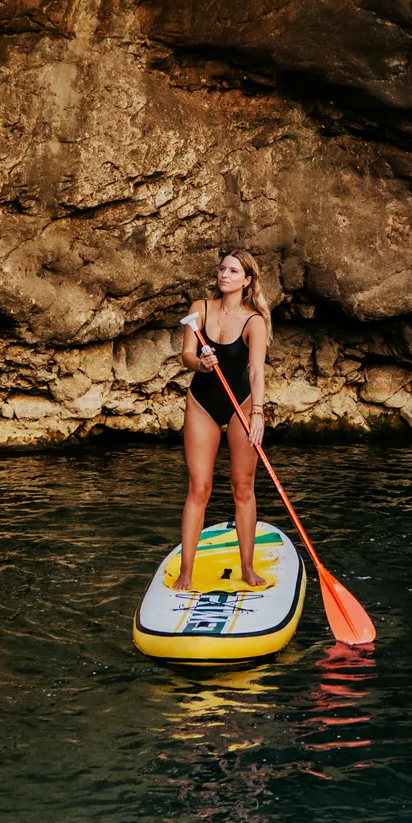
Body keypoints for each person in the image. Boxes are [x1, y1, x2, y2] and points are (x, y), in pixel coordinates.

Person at [177, 251, 271, 595]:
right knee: (199, 488)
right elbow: (187, 354)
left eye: (233, 271)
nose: (225, 275)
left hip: (241, 405)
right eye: (222, 269)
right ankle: (187, 571)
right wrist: (200, 364)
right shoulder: (199, 308)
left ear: (247, 280)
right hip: (202, 401)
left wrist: (258, 413)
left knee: (242, 488)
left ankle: (247, 567)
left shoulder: (254, 322)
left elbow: (256, 371)